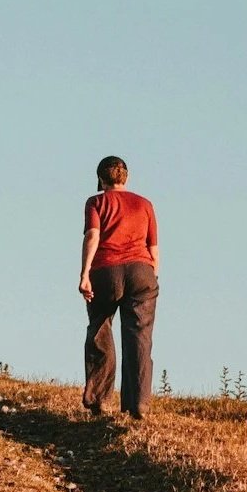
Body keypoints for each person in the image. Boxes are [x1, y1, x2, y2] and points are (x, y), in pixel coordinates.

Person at [79, 156, 158, 418]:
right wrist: (151, 276)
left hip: (106, 271)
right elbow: (153, 248)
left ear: (101, 179)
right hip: (141, 272)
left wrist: (85, 274)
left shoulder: (96, 202)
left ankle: (99, 399)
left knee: (100, 329)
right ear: (127, 177)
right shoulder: (145, 204)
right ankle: (138, 405)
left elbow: (93, 236)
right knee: (139, 338)